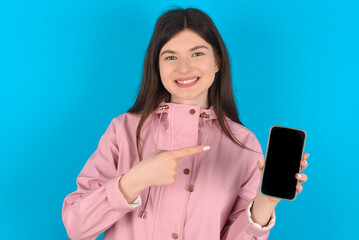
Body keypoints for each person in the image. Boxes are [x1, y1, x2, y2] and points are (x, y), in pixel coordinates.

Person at [62, 8, 309, 240]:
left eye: (197, 53)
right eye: (170, 56)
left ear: (217, 62)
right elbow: (77, 226)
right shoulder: (124, 129)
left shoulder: (243, 144)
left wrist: (265, 203)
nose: (184, 68)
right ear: (157, 67)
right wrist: (135, 179)